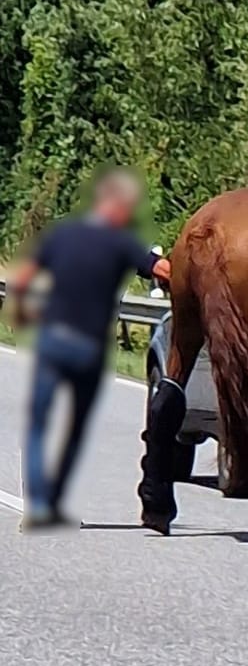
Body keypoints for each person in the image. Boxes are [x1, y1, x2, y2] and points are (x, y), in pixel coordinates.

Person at [6, 169, 171, 529]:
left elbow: (22, 277)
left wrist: (20, 316)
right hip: (90, 349)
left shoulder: (62, 234)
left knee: (38, 424)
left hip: (52, 341)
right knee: (74, 428)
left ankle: (38, 506)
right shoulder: (124, 243)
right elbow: (163, 269)